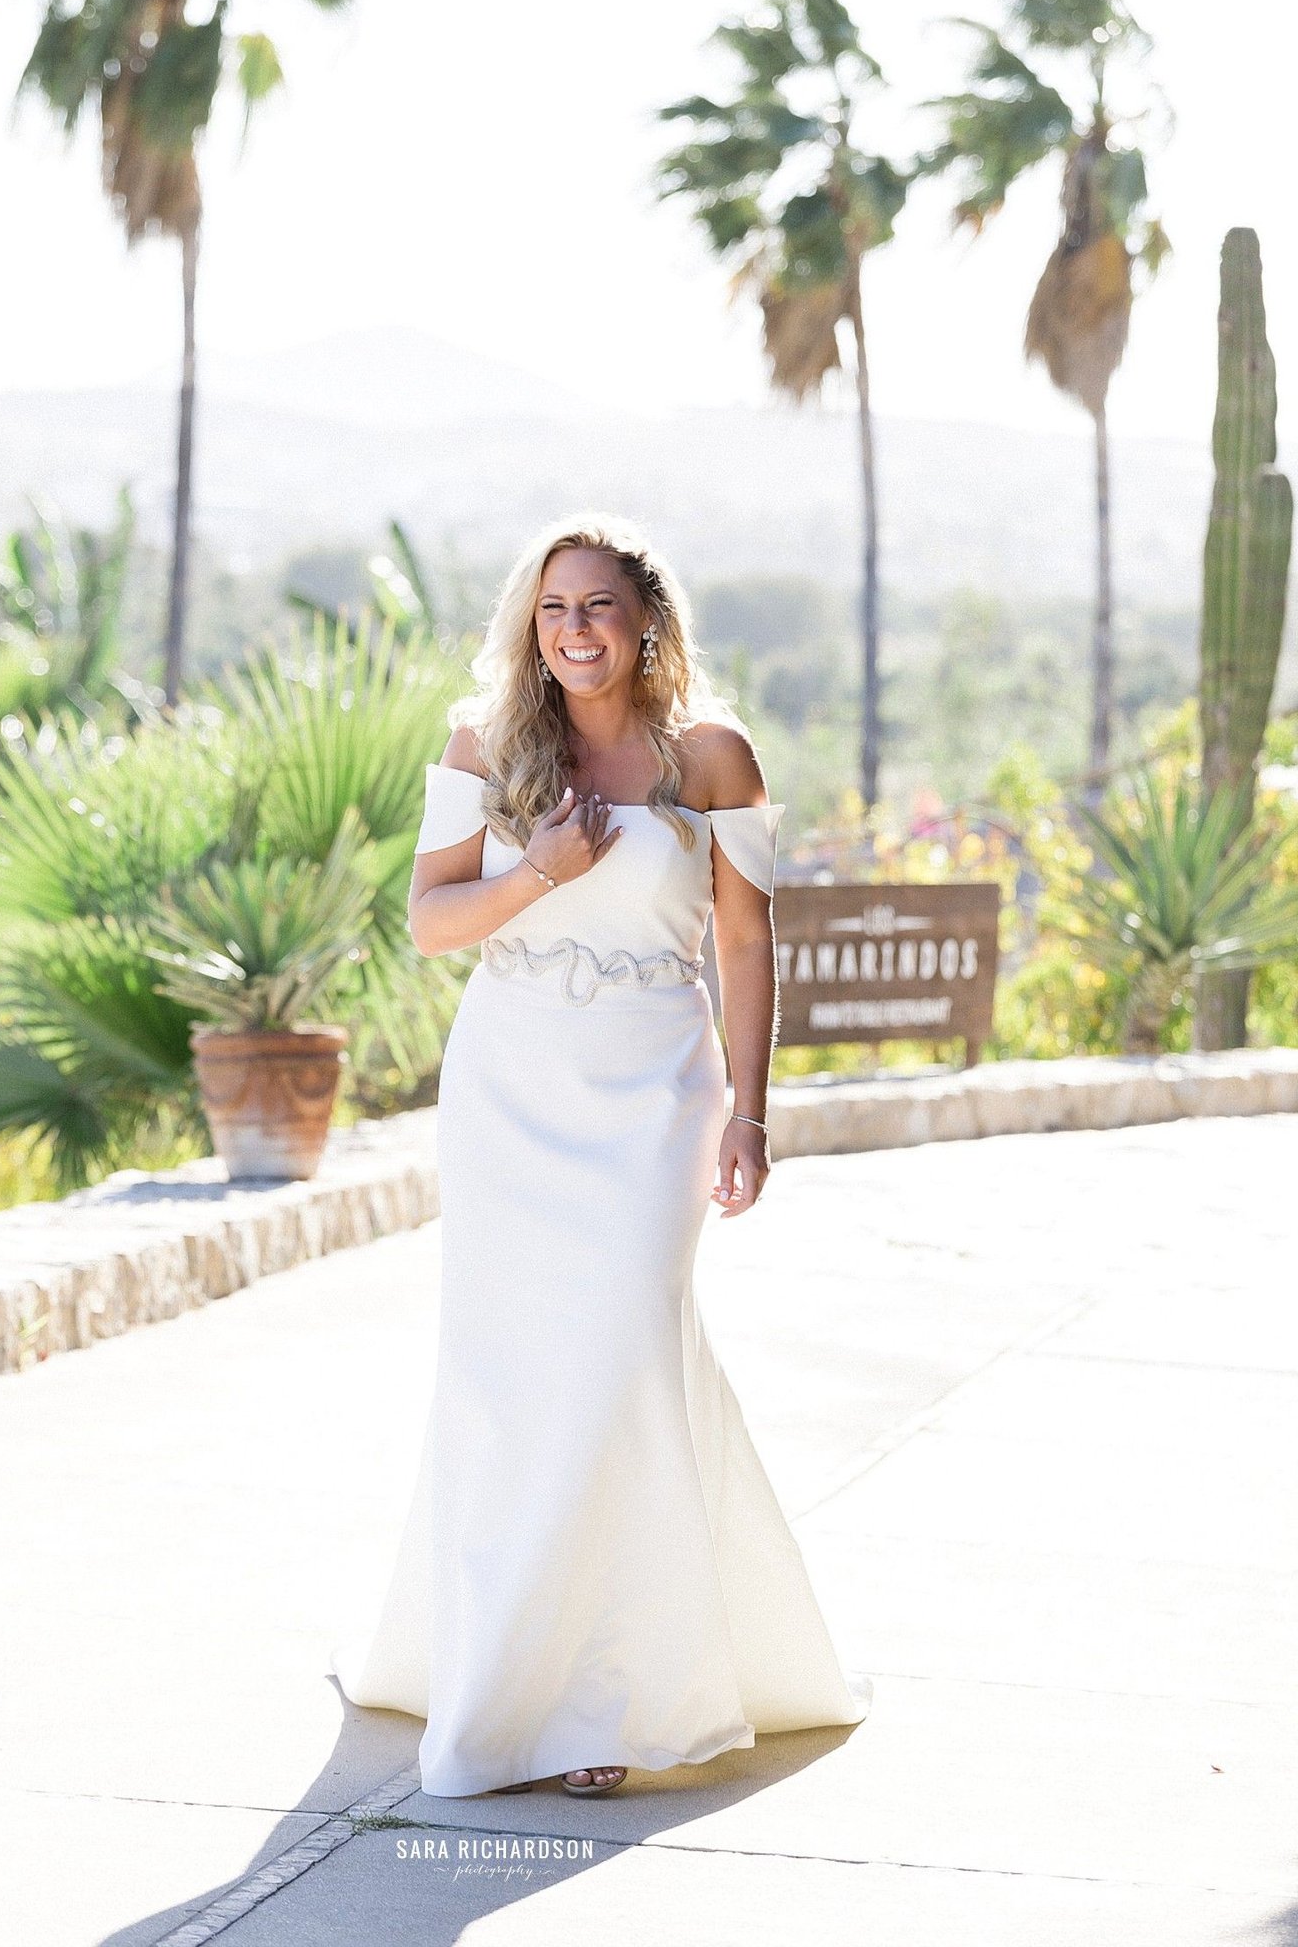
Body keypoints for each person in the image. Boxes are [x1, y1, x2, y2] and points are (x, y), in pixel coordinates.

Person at [328, 514, 868, 1798]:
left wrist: (751, 1107)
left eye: (599, 608)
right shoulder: (484, 746)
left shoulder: (714, 758)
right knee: (515, 1378)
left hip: (654, 1092)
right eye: (554, 609)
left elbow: (744, 944)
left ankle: (617, 1694)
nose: (575, 632)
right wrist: (541, 872)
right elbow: (429, 924)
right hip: (511, 1085)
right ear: (534, 624)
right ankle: (514, 1679)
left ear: (647, 622)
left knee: (623, 1352)